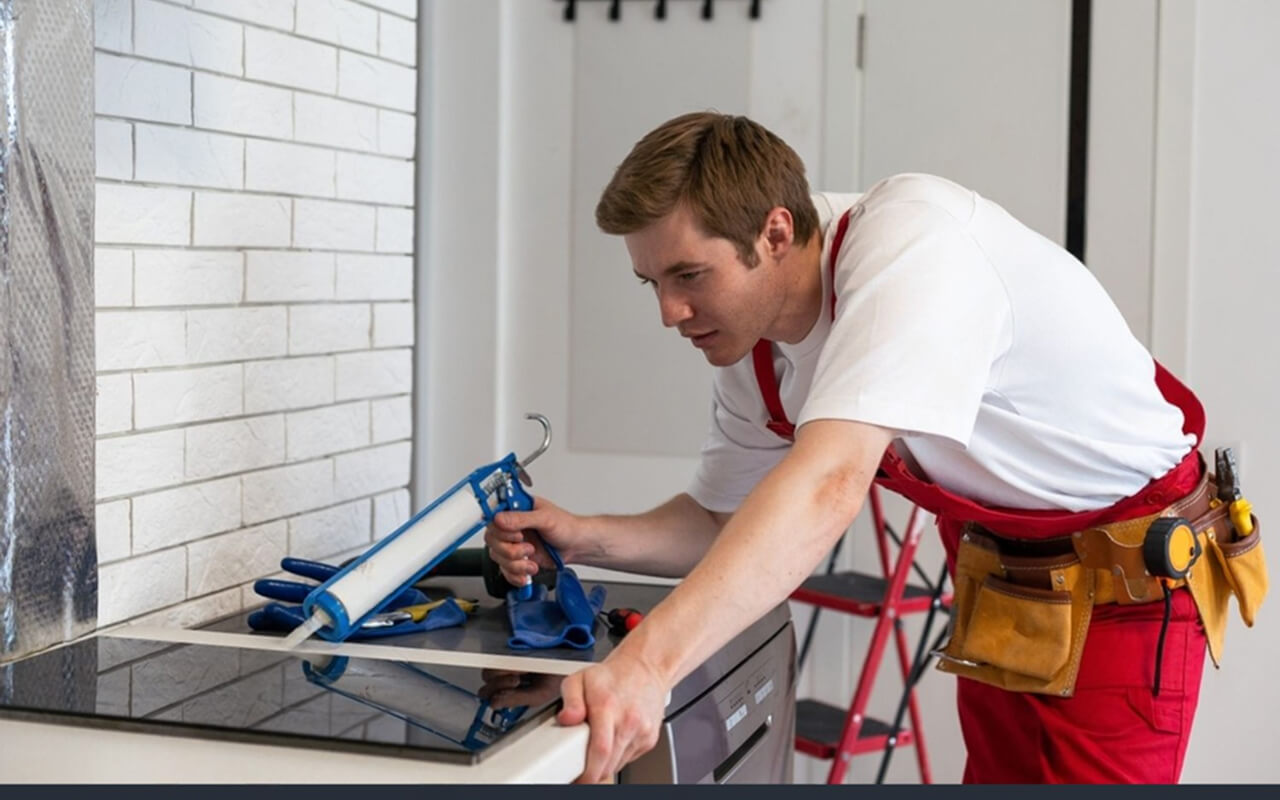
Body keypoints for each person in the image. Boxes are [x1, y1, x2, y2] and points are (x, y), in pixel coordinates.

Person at [484, 112, 1265, 784]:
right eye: (650, 282)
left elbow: (827, 487)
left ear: (776, 233)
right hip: (1015, 586)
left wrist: (648, 665)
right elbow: (723, 519)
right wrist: (585, 536)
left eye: (689, 274)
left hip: (1127, 584)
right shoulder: (757, 349)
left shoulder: (913, 249)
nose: (669, 310)